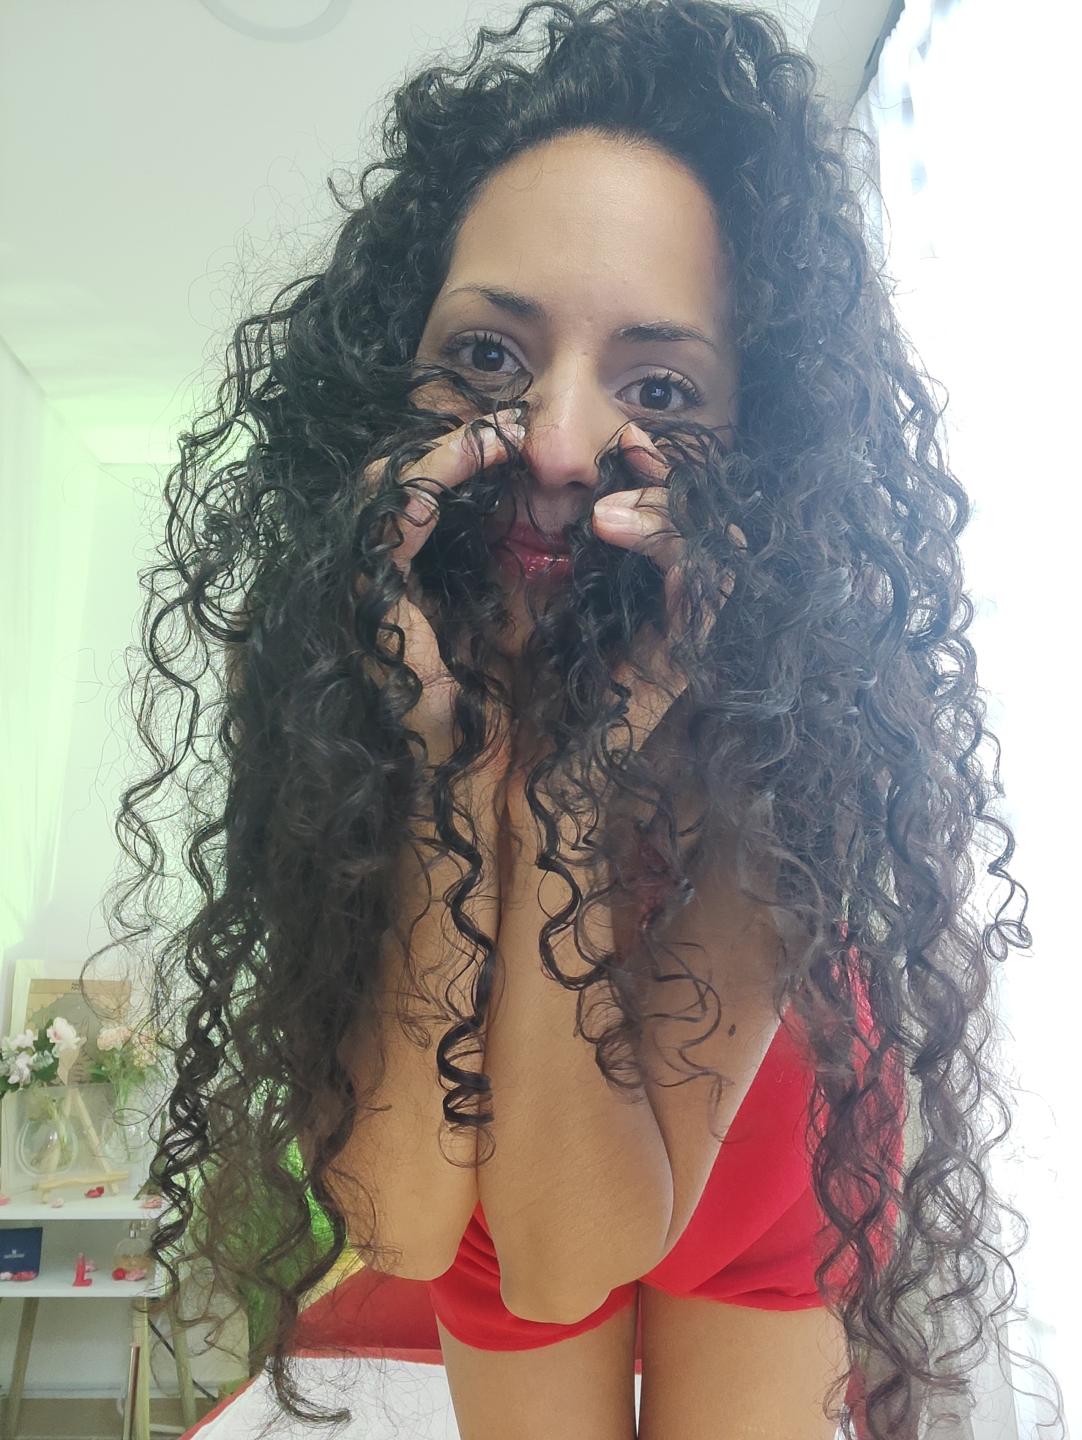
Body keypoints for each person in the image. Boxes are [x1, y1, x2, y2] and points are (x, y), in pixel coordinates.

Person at [84, 3, 1065, 1438]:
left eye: (659, 387)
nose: (553, 445)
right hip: (499, 1146)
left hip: (765, 1166)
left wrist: (568, 794)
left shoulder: (782, 706)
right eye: (490, 358)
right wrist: (457, 777)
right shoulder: (326, 669)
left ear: (757, 441)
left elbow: (594, 1236)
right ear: (393, 370)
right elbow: (422, 1226)